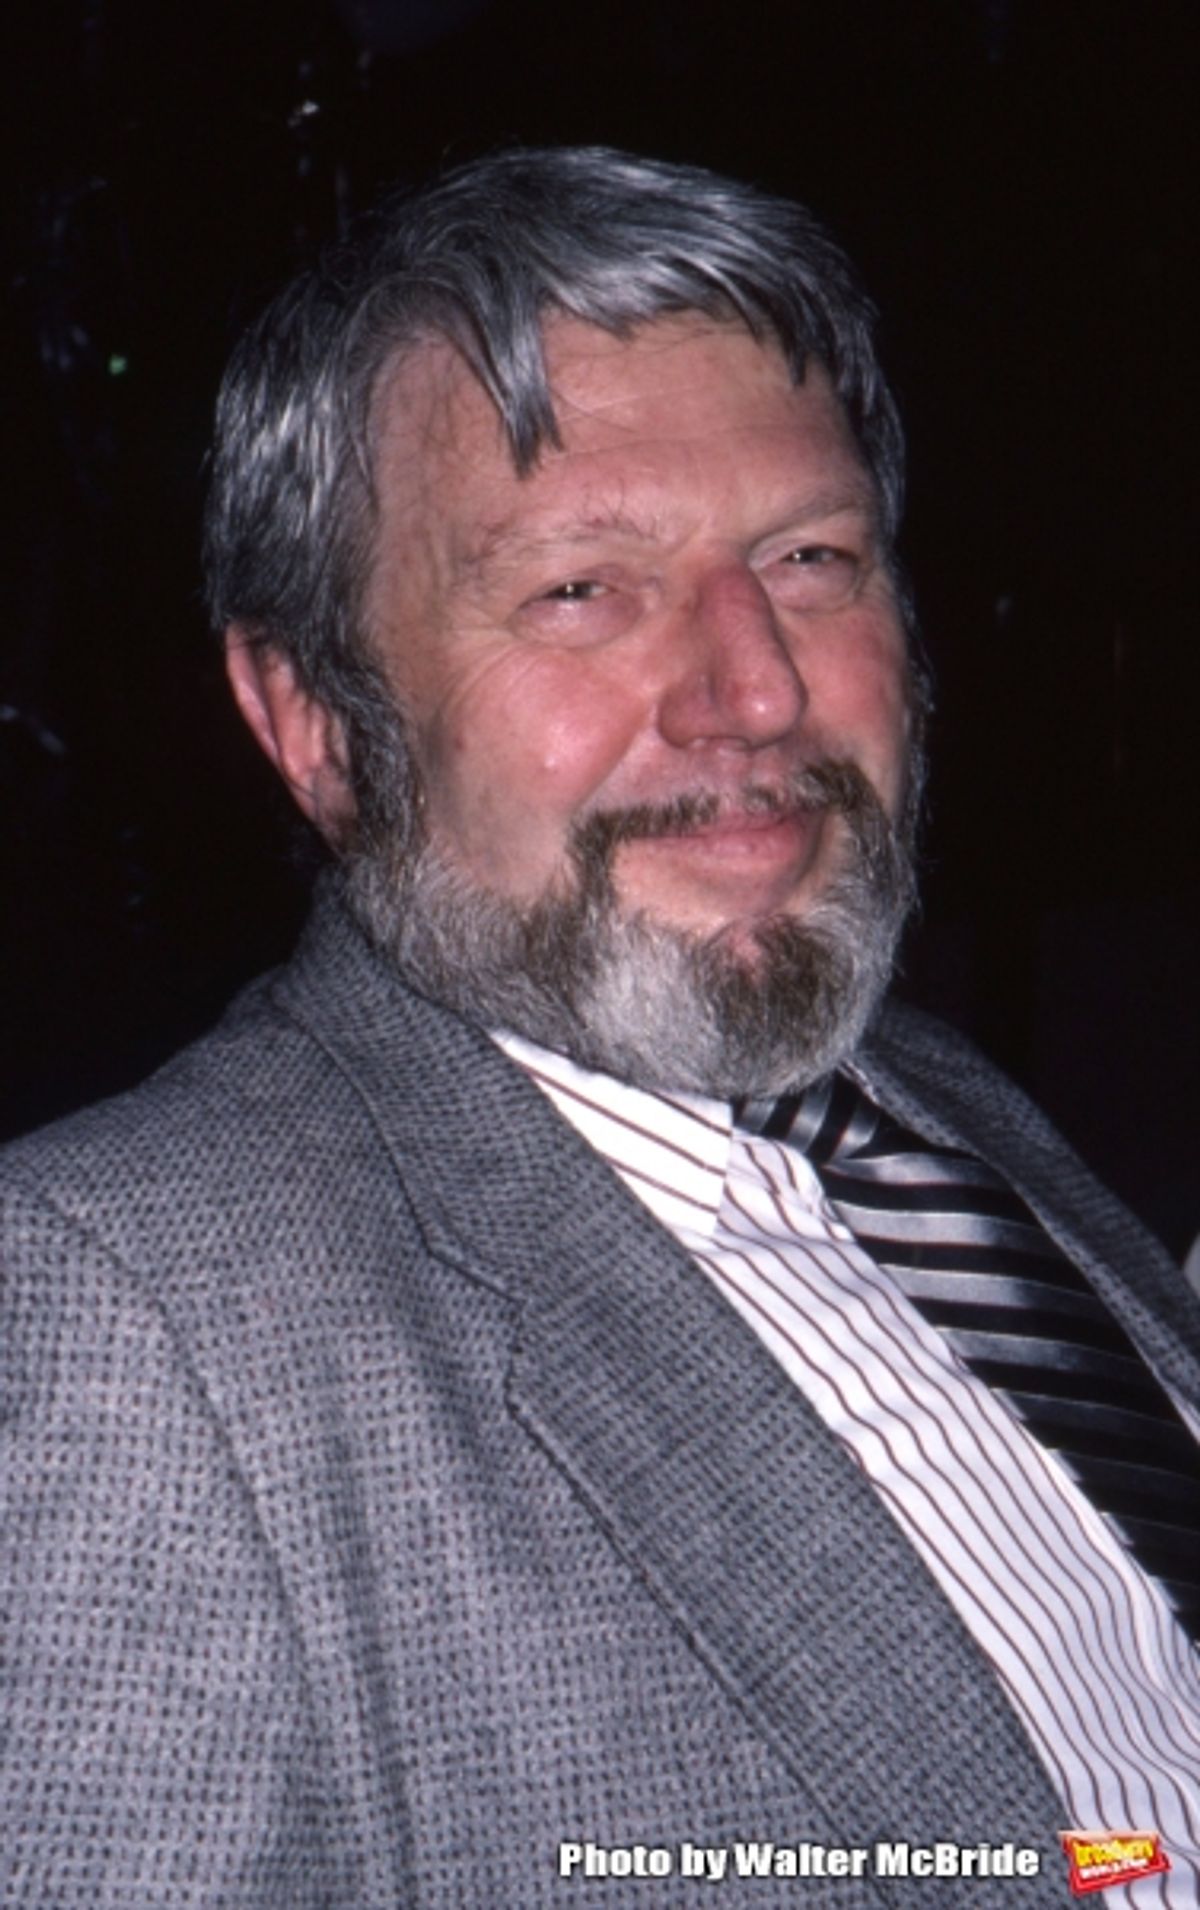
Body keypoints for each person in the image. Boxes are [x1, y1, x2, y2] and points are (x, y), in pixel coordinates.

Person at [2, 147, 1197, 1909]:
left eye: (809, 557)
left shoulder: (926, 1095)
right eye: (582, 588)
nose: (759, 688)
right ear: (315, 725)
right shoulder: (116, 1313)